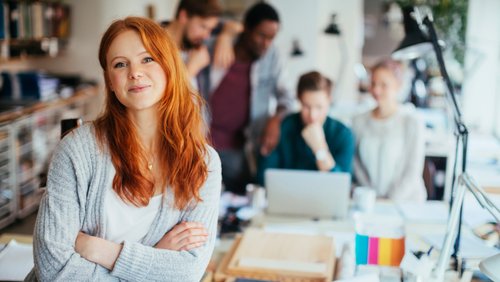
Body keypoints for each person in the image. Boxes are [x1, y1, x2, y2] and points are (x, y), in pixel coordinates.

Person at [26, 17, 221, 281]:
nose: (135, 73)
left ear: (169, 66)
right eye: (120, 64)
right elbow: (54, 269)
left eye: (147, 59)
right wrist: (154, 257)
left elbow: (187, 271)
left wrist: (97, 248)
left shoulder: (204, 163)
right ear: (110, 81)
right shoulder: (77, 150)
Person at [206, 2, 295, 195]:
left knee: (239, 199)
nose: (266, 44)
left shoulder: (272, 56)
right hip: (201, 142)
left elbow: (287, 98)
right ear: (246, 28)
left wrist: (275, 120)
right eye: (261, 35)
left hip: (238, 148)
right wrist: (226, 33)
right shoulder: (215, 46)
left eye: (271, 38)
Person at [257, 71, 355, 185]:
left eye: (319, 107)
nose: (312, 116)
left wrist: (320, 149)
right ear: (299, 99)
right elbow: (263, 179)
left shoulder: (343, 135)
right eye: (306, 106)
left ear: (329, 100)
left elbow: (341, 186)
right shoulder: (283, 127)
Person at [352, 58, 427, 202]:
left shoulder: (412, 122)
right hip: (371, 203)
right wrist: (373, 197)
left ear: (398, 86)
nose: (376, 90)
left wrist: (389, 201)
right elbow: (356, 165)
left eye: (383, 85)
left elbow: (412, 171)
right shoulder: (358, 121)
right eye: (373, 83)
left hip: (407, 203)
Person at [162, 0, 242, 82]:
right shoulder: (153, 44)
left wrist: (225, 36)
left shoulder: (194, 42)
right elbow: (163, 92)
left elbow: (237, 26)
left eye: (210, 29)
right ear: (184, 16)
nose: (206, 36)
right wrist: (191, 69)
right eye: (203, 27)